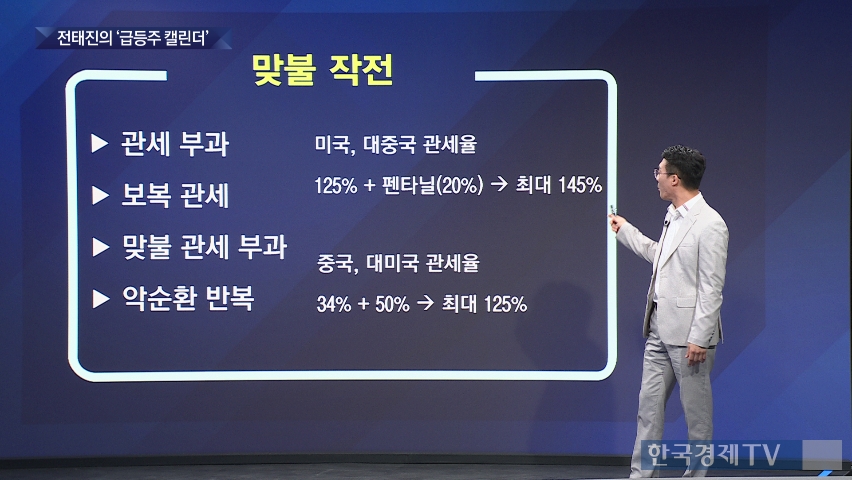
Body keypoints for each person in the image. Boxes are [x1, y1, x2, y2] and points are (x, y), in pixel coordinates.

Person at [608, 145, 729, 478]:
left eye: (659, 172)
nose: (657, 178)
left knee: (696, 418)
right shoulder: (673, 216)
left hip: (690, 338)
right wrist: (625, 231)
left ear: (675, 179)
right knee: (648, 410)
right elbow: (661, 257)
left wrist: (700, 337)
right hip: (658, 331)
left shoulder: (710, 224)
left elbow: (711, 287)